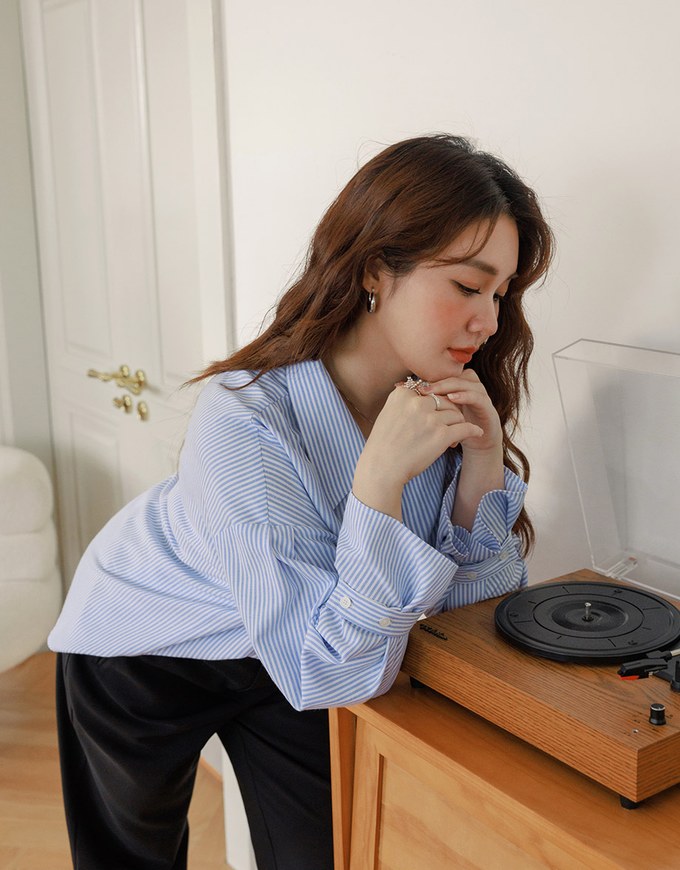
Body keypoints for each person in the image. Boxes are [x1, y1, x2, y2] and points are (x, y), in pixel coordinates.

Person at [49, 133, 553, 870]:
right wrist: (376, 485)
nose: (488, 321)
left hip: (302, 645)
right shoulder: (245, 418)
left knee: (326, 851)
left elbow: (457, 629)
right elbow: (333, 668)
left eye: (501, 295)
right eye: (467, 287)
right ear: (379, 266)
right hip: (146, 646)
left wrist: (481, 467)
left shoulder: (436, 407)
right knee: (128, 857)